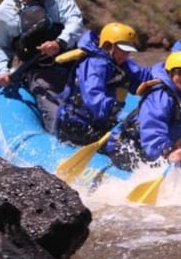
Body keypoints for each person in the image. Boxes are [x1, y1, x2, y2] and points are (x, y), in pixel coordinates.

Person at [0, 0, 84, 133]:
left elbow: (75, 21)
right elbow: (0, 46)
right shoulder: (4, 12)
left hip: (71, 62)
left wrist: (59, 42)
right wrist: (2, 71)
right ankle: (59, 139)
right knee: (58, 115)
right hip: (39, 70)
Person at [55, 22, 152, 167]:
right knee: (122, 149)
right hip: (77, 126)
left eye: (128, 51)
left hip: (100, 125)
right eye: (123, 50)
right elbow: (93, 95)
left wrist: (170, 73)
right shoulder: (94, 64)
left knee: (134, 142)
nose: (126, 54)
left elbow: (144, 76)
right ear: (108, 46)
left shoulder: (122, 64)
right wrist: (112, 109)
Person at [136, 51, 181, 173]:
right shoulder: (160, 96)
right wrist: (167, 151)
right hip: (136, 147)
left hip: (163, 149)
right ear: (169, 73)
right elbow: (152, 127)